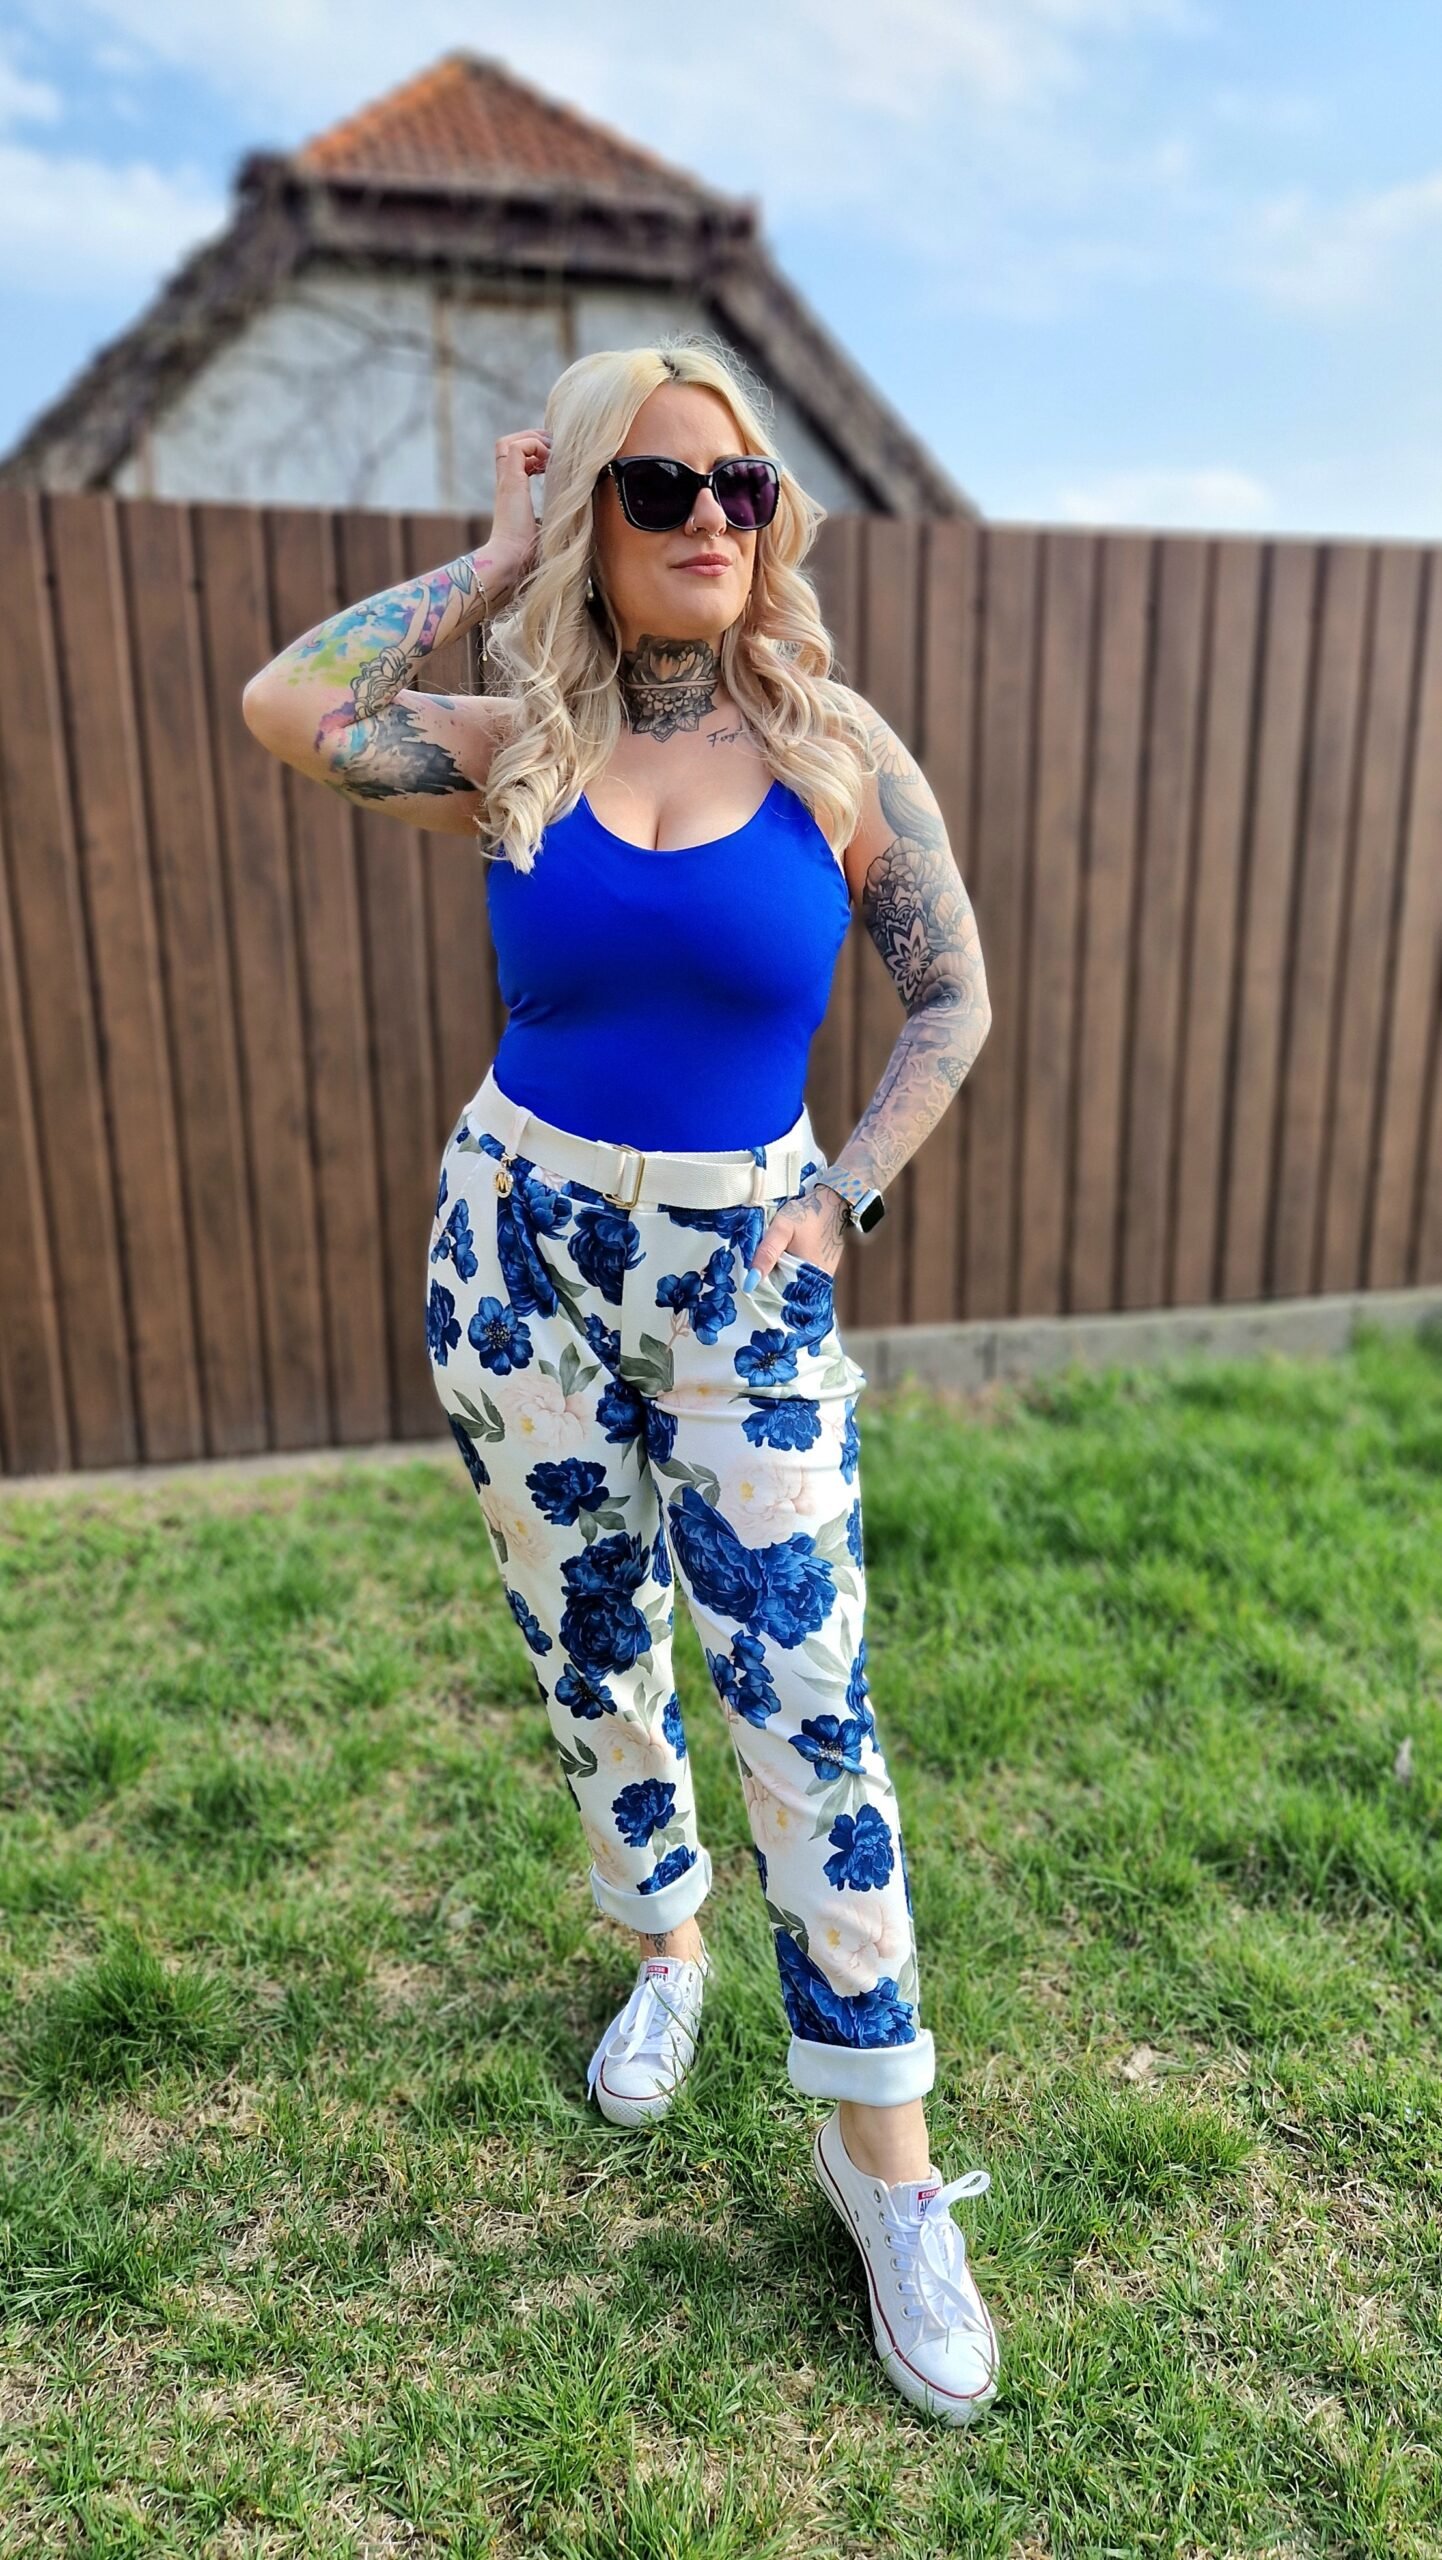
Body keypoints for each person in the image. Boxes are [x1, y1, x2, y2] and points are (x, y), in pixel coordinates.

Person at [242, 335, 997, 2423]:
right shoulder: (518, 750)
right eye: (657, 487)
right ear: (590, 511)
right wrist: (490, 561)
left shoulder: (832, 749)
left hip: (747, 1270)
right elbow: (292, 705)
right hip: (517, 1254)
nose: (709, 521)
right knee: (591, 1652)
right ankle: (666, 1945)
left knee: (805, 1695)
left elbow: (949, 998)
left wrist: (844, 1193)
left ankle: (885, 2162)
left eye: (739, 486)